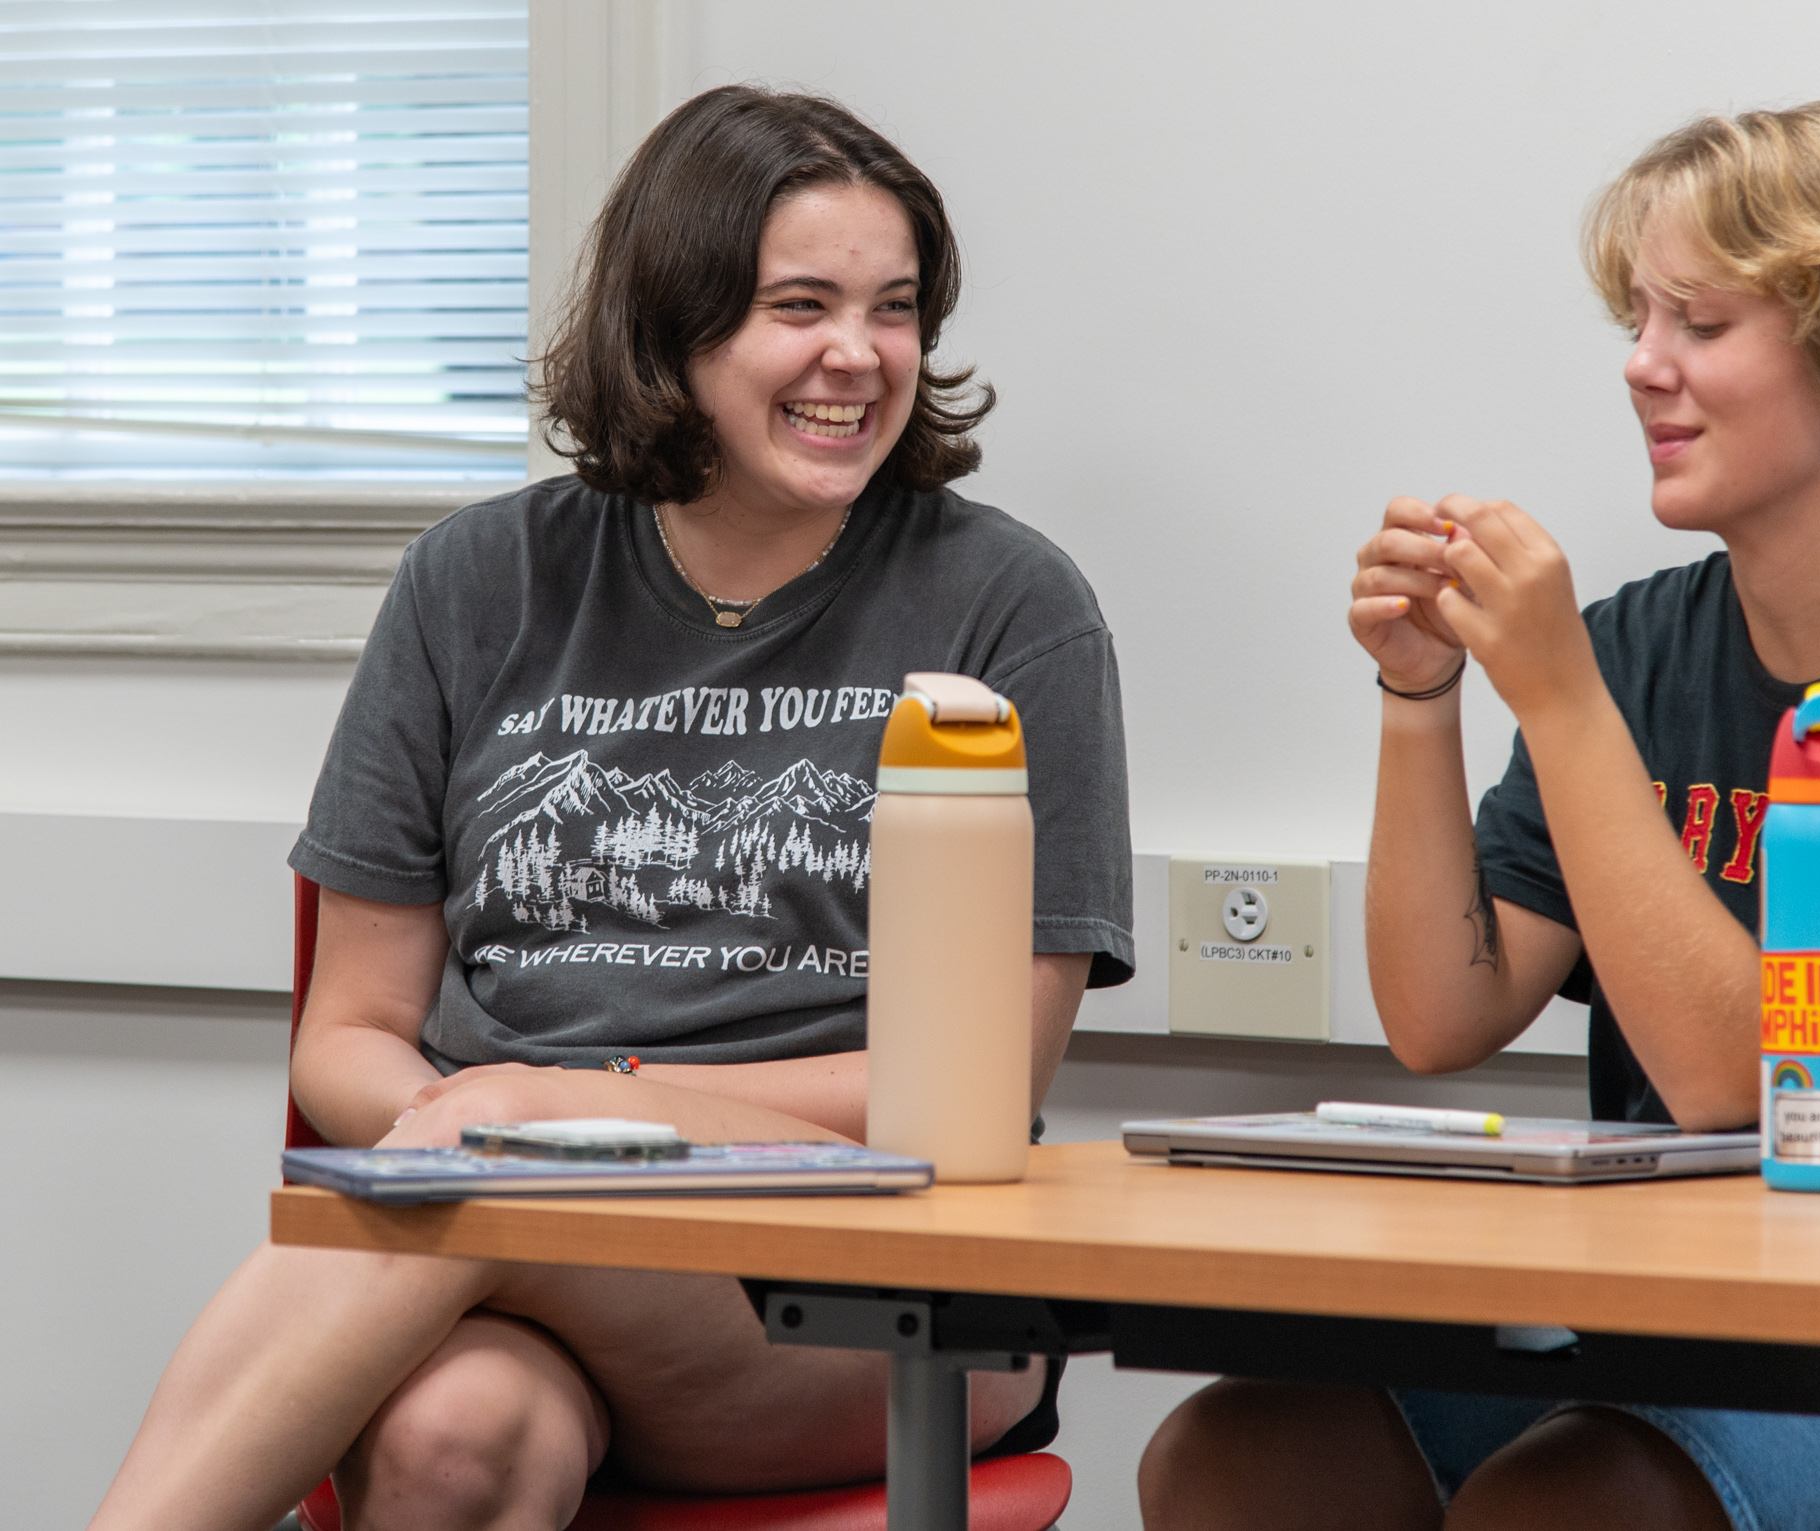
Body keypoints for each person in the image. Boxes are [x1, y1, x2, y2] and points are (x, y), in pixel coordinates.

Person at [90, 87, 1132, 1531]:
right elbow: (346, 1038)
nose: (858, 355)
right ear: (674, 326)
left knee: (479, 1172)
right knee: (459, 1437)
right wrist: (500, 1138)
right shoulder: (473, 583)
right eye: (800, 306)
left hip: (871, 1267)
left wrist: (576, 1117)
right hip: (504, 1235)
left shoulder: (1006, 605)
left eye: (893, 309)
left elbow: (981, 1084)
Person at [1140, 101, 1820, 1531]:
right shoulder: (1634, 650)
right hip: (1680, 1323)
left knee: (1573, 1504)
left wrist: (1556, 701)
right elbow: (1437, 1013)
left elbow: (1761, 1085)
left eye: (1700, 325)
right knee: (1236, 1451)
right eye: (1637, 319)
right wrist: (1418, 697)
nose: (1641, 368)